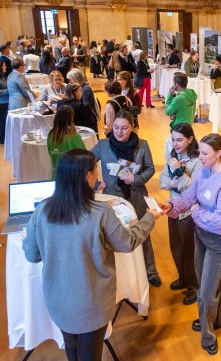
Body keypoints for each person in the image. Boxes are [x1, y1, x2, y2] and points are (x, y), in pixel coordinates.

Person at [23, 149, 161, 361]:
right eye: (95, 170)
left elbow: (32, 254)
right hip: (92, 301)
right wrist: (149, 217)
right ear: (88, 176)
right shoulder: (100, 213)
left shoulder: (43, 210)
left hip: (58, 299)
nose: (97, 174)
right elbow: (127, 242)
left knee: (72, 348)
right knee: (90, 353)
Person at [155, 133, 221, 356]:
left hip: (217, 242)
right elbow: (189, 196)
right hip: (201, 235)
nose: (199, 157)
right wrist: (170, 206)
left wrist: (195, 212)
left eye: (204, 153)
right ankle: (215, 319)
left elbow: (220, 220)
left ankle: (208, 335)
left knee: (205, 292)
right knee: (209, 284)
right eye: (199, 152)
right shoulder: (203, 172)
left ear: (219, 153)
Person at [91, 110, 161, 287]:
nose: (119, 132)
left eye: (124, 128)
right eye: (116, 127)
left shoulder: (142, 145)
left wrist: (135, 179)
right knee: (116, 235)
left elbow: (150, 168)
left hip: (137, 195)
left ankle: (150, 271)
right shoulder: (103, 145)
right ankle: (122, 277)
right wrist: (95, 183)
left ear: (133, 127)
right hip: (113, 197)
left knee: (143, 232)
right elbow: (85, 163)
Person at [158, 123, 202, 306]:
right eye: (173, 139)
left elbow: (195, 189)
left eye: (179, 140)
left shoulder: (198, 161)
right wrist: (175, 183)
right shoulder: (172, 156)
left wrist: (179, 175)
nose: (175, 144)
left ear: (190, 139)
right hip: (173, 207)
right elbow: (162, 180)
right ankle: (183, 278)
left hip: (190, 212)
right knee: (176, 246)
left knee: (190, 250)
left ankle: (195, 286)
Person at [47, 106, 86, 177]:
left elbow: (50, 153)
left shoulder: (50, 135)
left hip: (55, 174)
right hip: (71, 176)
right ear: (70, 119)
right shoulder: (74, 137)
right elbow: (84, 158)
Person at [68, 69, 100, 134]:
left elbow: (86, 105)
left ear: (76, 80)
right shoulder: (80, 88)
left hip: (88, 120)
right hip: (85, 119)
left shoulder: (85, 89)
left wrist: (74, 104)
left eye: (71, 79)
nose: (70, 82)